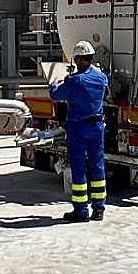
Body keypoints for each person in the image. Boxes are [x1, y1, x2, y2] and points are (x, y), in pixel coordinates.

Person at [50, 41, 109, 222]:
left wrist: (54, 83)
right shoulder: (101, 78)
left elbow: (56, 95)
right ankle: (98, 209)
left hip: (78, 127)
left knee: (78, 168)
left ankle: (81, 211)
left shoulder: (74, 80)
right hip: (96, 126)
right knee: (97, 166)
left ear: (77, 59)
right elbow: (106, 94)